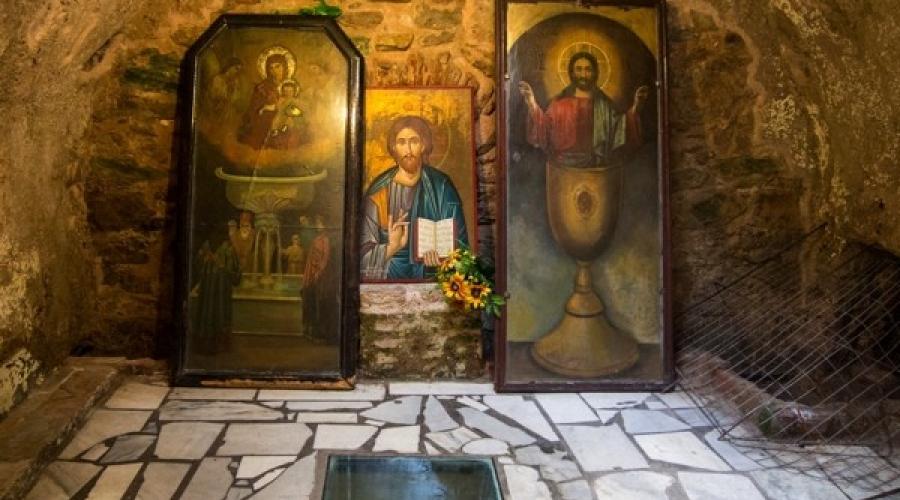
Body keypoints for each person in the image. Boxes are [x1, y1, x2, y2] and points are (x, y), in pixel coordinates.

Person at [360, 115, 468, 280]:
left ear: (423, 145)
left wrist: (442, 260)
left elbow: (460, 246)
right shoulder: (379, 191)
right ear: (394, 147)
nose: (408, 150)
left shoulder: (442, 186)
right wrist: (392, 247)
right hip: (388, 279)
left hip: (430, 278)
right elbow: (362, 258)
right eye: (401, 142)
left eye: (414, 141)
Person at [518, 51, 649, 167]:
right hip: (563, 168)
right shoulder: (558, 104)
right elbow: (544, 128)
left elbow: (620, 128)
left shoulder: (604, 105)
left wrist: (636, 106)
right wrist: (531, 102)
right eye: (579, 69)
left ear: (595, 73)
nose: (583, 74)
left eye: (588, 69)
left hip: (597, 168)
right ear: (572, 73)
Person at [238, 52, 289, 149]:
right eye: (271, 68)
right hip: (266, 122)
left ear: (285, 67)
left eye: (278, 66)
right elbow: (254, 109)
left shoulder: (291, 85)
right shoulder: (262, 87)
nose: (274, 71)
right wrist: (269, 107)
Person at [302, 216, 336, 342]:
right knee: (311, 301)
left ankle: (320, 333)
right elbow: (312, 256)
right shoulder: (317, 238)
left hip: (321, 276)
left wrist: (319, 272)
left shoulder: (325, 239)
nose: (317, 226)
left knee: (319, 303)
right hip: (313, 272)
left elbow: (325, 257)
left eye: (319, 223)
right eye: (317, 223)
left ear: (325, 225)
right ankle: (311, 331)